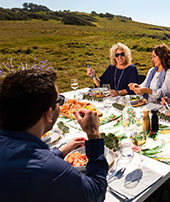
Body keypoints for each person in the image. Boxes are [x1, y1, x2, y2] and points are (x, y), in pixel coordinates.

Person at [0, 69, 108, 202]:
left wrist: (61, 152)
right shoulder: (50, 170)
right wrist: (94, 135)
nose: (61, 104)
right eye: (60, 101)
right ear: (48, 114)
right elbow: (96, 192)